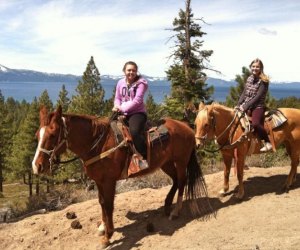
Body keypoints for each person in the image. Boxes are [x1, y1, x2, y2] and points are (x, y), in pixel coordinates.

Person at [112, 61, 149, 169]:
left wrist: (122, 110)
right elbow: (117, 98)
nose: (131, 72)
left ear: (136, 71)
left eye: (133, 70)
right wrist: (117, 107)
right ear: (124, 71)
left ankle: (145, 156)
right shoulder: (120, 82)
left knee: (134, 132)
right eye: (129, 70)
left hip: (137, 113)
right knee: (107, 127)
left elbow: (137, 101)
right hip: (122, 111)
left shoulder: (141, 83)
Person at [237, 58, 272, 152]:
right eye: (253, 66)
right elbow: (244, 93)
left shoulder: (263, 81)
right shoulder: (249, 78)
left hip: (258, 106)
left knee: (256, 124)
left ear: (261, 68)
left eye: (257, 66)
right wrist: (239, 104)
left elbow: (258, 96)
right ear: (250, 67)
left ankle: (267, 142)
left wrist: (245, 106)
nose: (255, 68)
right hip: (246, 105)